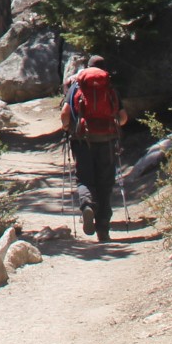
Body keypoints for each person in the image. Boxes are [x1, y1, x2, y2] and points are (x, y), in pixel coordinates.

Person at [61, 55, 128, 242]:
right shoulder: (109, 86)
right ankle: (103, 229)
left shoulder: (76, 86)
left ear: (86, 68)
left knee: (84, 179)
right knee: (105, 183)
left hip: (82, 140)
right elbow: (123, 118)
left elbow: (65, 114)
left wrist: (68, 128)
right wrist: (113, 125)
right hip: (106, 140)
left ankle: (87, 205)